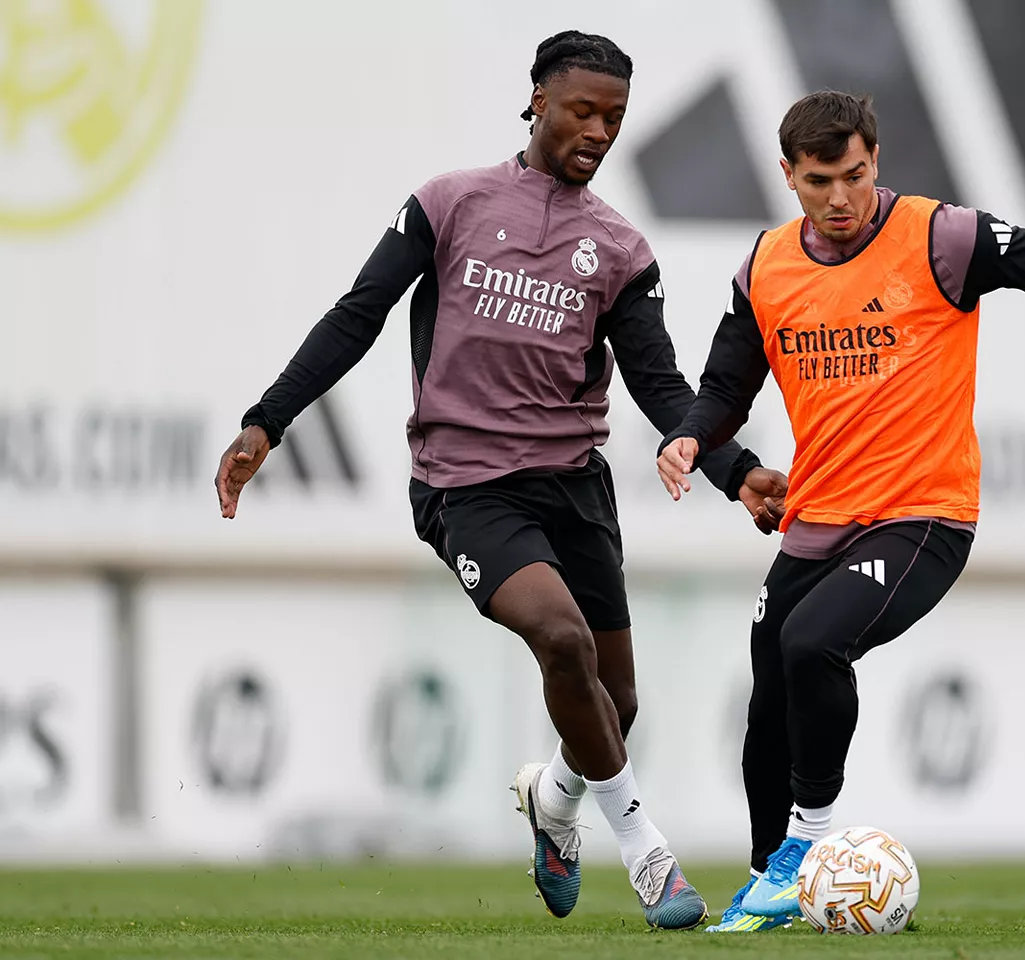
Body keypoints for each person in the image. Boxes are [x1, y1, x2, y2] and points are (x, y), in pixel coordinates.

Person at [213, 30, 787, 931]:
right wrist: (267, 420)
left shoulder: (621, 249)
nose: (599, 131)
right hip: (467, 487)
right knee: (562, 639)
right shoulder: (448, 205)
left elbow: (662, 386)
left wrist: (736, 470)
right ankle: (650, 858)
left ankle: (553, 805)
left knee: (617, 701)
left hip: (574, 488)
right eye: (583, 110)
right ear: (538, 99)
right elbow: (358, 316)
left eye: (614, 118)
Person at [656, 90, 1025, 933]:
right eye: (819, 181)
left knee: (812, 644)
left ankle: (809, 844)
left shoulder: (939, 237)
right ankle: (772, 883)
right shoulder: (765, 266)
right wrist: (695, 440)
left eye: (854, 175)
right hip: (817, 519)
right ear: (789, 176)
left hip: (923, 516)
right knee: (771, 689)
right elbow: (725, 388)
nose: (840, 198)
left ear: (875, 159)